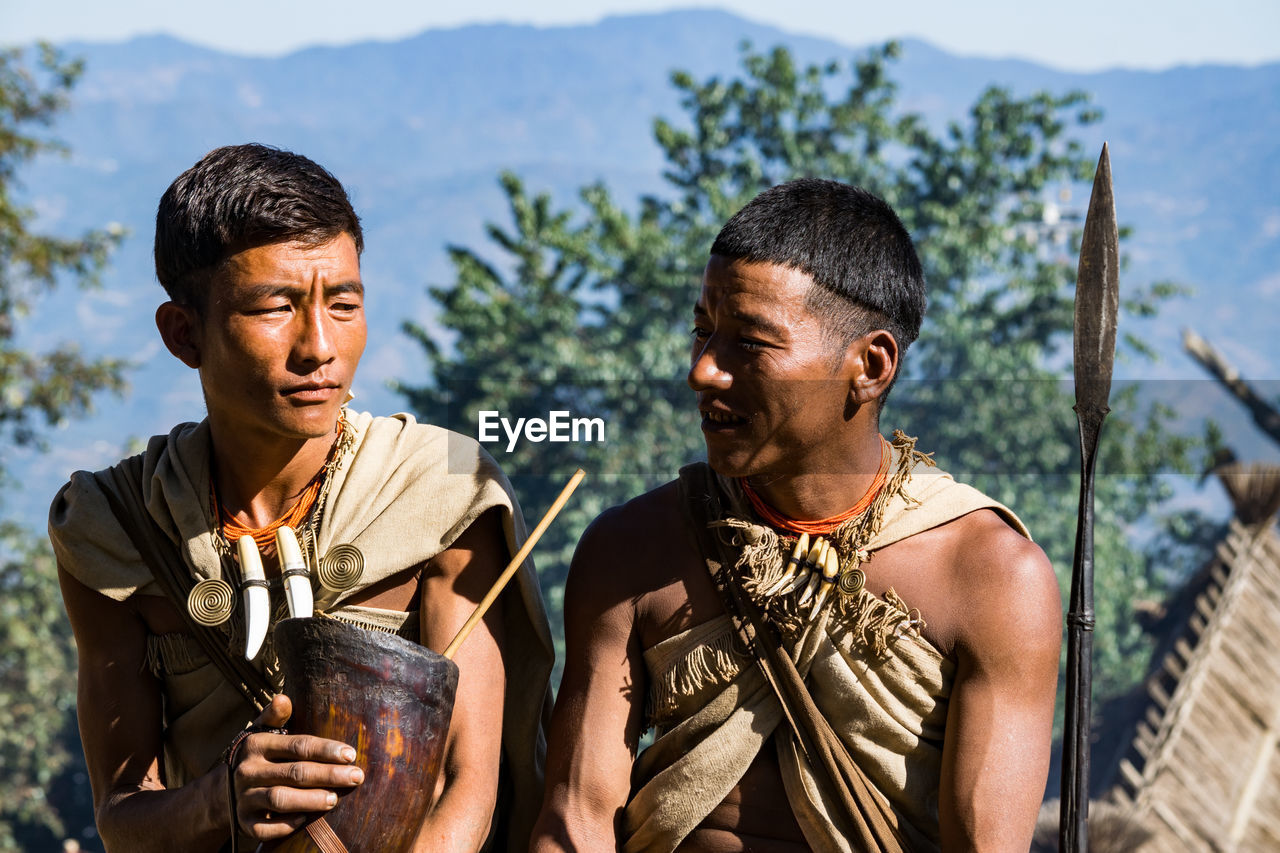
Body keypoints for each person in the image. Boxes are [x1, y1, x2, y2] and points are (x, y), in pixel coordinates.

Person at [49, 144, 553, 853]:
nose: (320, 346)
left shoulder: (440, 492)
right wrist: (219, 798)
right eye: (274, 307)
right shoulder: (116, 527)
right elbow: (123, 815)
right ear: (183, 333)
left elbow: (469, 784)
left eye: (344, 303)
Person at [532, 179, 1061, 852]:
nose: (703, 371)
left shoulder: (989, 577)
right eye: (702, 331)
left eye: (749, 343)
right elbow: (575, 817)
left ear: (869, 366)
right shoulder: (631, 552)